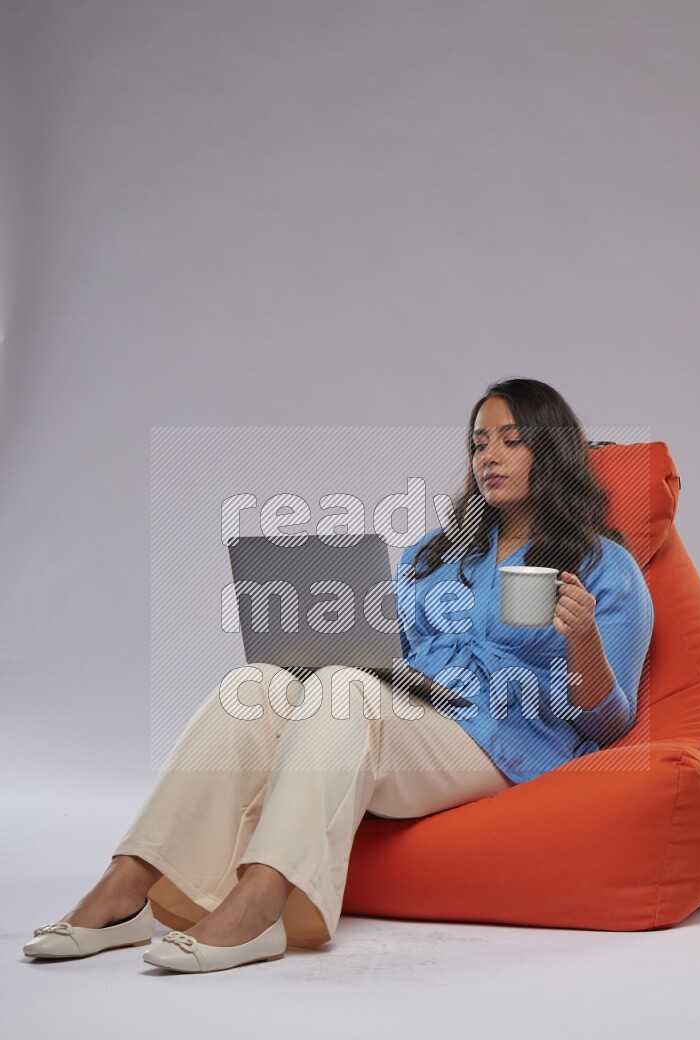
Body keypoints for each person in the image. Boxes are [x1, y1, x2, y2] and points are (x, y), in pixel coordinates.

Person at [23, 378, 654, 973]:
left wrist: (584, 638)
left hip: (506, 739)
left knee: (346, 688)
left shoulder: (606, 567)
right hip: (418, 708)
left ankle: (262, 904)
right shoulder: (437, 551)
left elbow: (609, 719)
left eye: (512, 440)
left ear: (554, 452)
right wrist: (341, 643)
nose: (490, 455)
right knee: (262, 684)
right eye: (479, 442)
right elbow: (388, 650)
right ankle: (129, 884)